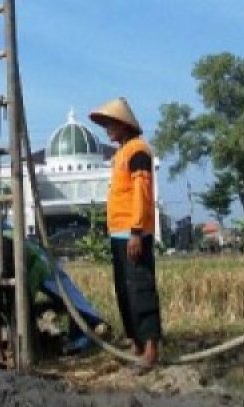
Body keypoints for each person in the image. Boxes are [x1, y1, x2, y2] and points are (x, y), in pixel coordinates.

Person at [89, 97, 162, 372]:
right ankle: (136, 343)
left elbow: (142, 194)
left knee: (141, 289)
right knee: (124, 290)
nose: (107, 130)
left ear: (123, 125)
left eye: (111, 125)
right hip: (118, 233)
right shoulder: (121, 153)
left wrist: (135, 232)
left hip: (134, 233)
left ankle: (151, 348)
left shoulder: (138, 151)